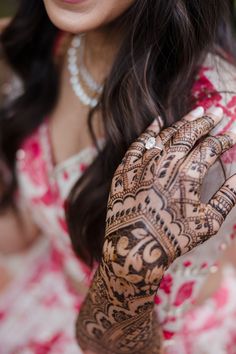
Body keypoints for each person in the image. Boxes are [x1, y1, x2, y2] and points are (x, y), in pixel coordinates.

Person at [0, 1, 236, 353]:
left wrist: (125, 275)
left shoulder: (212, 125)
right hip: (48, 297)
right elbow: (18, 232)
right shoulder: (44, 42)